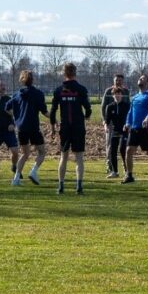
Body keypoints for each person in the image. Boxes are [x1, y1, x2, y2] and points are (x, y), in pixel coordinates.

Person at [49, 62, 92, 195]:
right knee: (79, 157)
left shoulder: (58, 90)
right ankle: (79, 187)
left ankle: (61, 186)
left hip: (65, 126)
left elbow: (52, 111)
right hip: (78, 126)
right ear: (75, 72)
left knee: (64, 156)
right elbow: (88, 108)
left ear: (64, 73)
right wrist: (86, 116)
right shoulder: (81, 89)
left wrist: (53, 127)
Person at [6, 70, 48, 187]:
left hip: (21, 128)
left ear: (22, 80)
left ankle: (16, 179)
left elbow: (7, 108)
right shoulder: (38, 94)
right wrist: (54, 116)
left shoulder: (16, 94)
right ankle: (33, 172)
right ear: (33, 79)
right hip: (33, 127)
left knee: (25, 154)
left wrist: (16, 117)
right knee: (42, 152)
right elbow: (44, 112)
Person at [101, 73, 129, 176]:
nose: (118, 82)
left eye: (120, 80)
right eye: (116, 80)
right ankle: (111, 168)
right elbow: (103, 107)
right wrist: (105, 122)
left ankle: (126, 168)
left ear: (123, 81)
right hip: (111, 125)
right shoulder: (108, 91)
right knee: (110, 147)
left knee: (124, 148)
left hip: (123, 126)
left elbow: (128, 108)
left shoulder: (126, 92)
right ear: (114, 81)